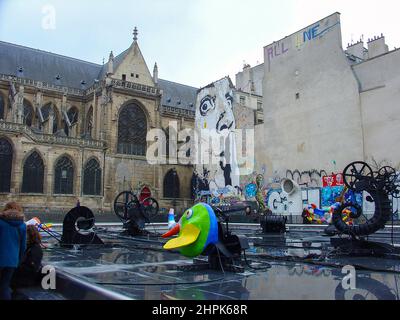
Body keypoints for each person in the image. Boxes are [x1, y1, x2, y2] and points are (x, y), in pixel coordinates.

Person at [0, 202, 26, 300]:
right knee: (4, 287)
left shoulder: (1, 223)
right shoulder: (22, 225)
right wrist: (18, 261)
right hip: (12, 261)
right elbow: (23, 246)